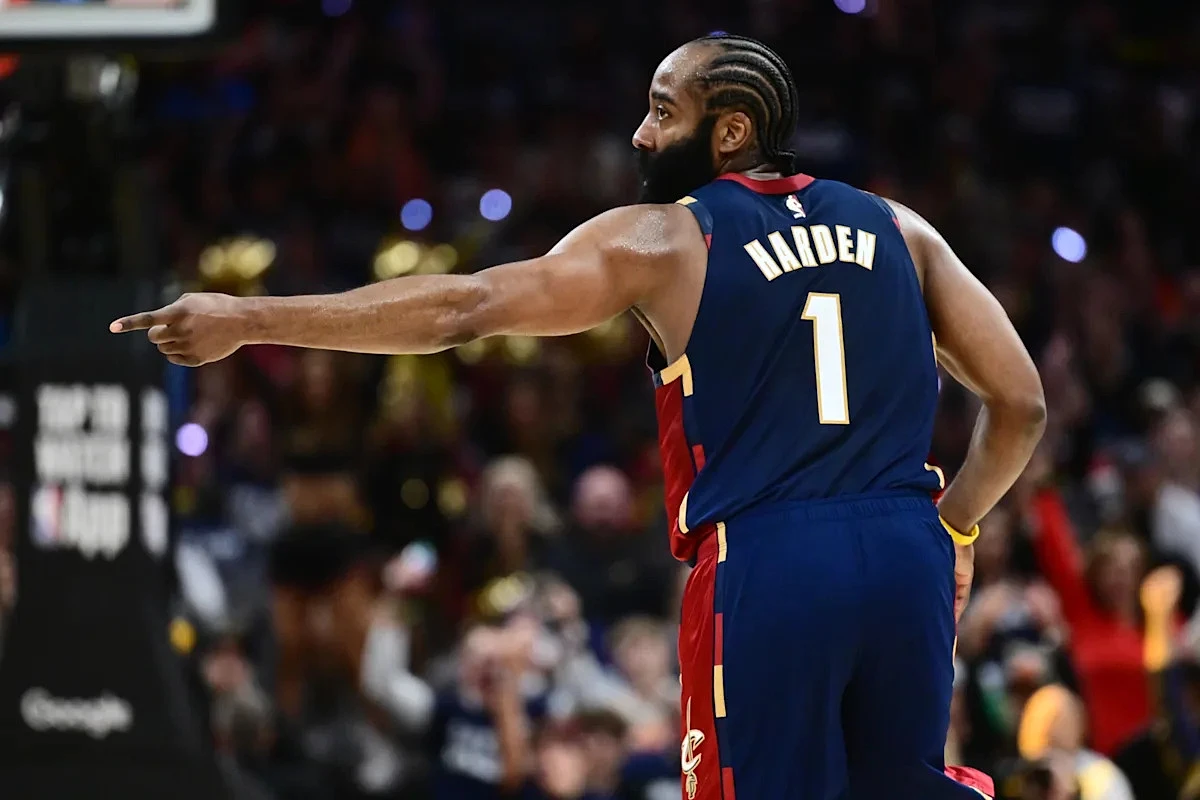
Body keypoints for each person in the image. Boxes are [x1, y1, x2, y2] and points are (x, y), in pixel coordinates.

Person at [111, 33, 1045, 800]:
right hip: (905, 555)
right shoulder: (900, 228)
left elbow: (466, 307)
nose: (641, 134)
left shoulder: (670, 236)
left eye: (664, 112)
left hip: (771, 560)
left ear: (731, 133)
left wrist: (250, 319)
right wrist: (956, 525)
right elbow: (1020, 403)